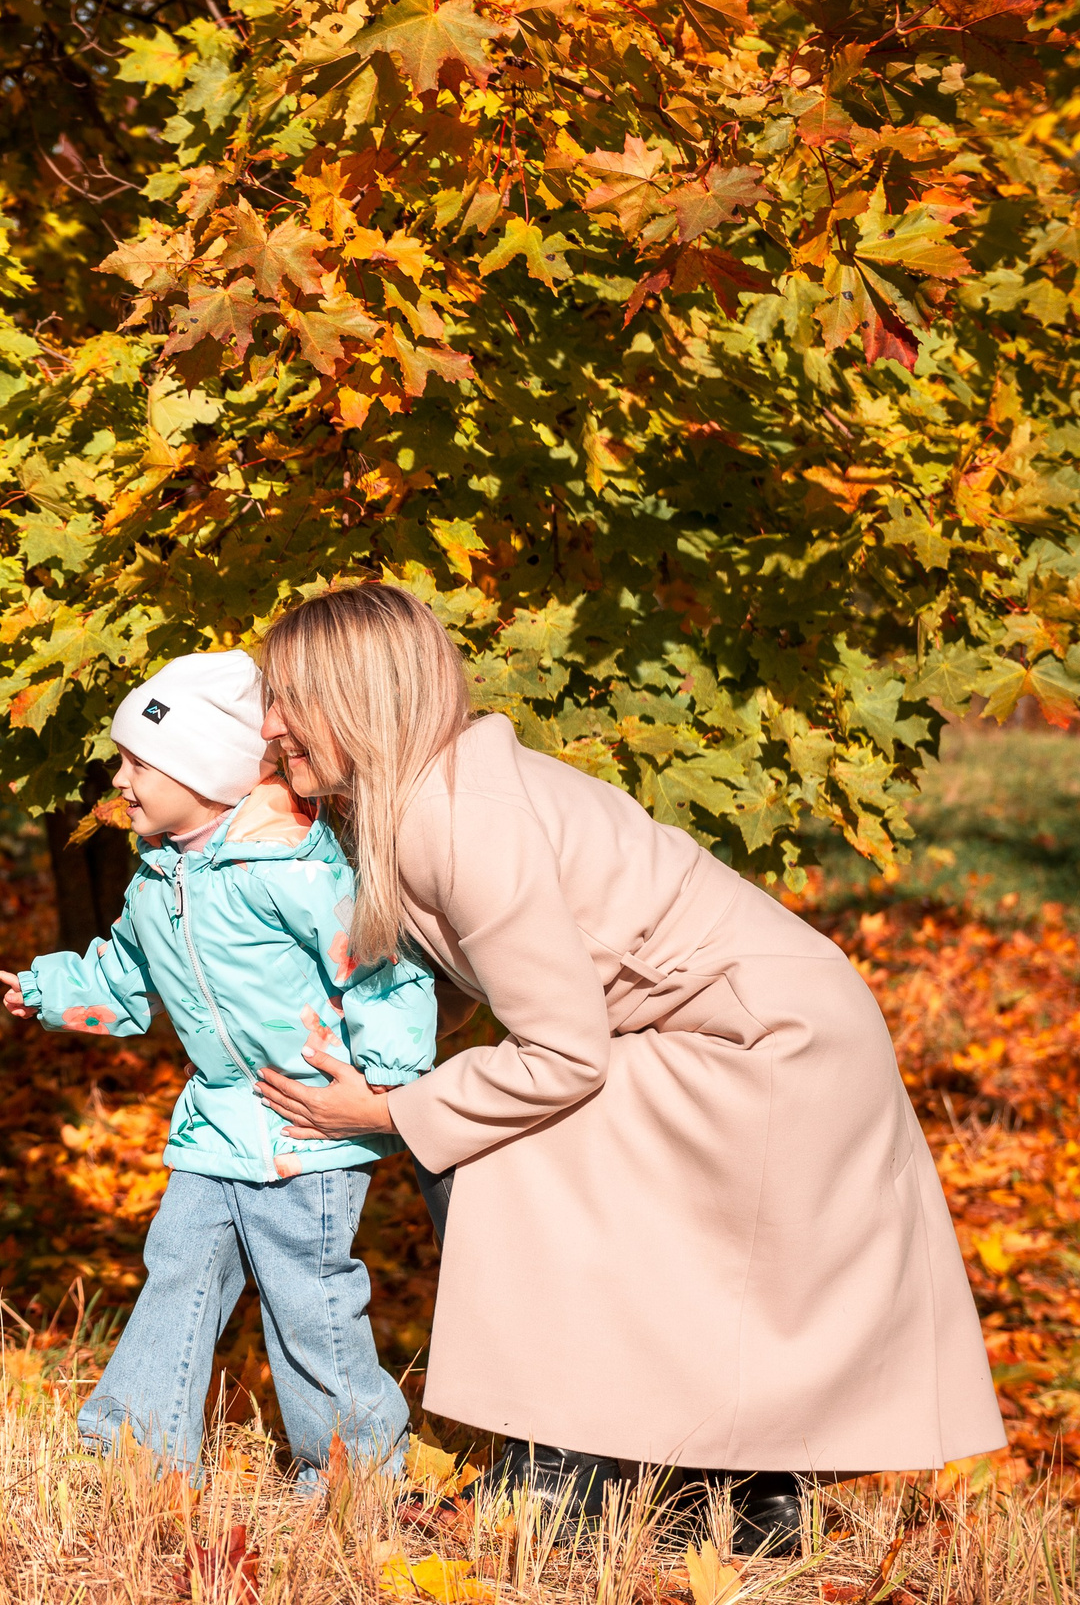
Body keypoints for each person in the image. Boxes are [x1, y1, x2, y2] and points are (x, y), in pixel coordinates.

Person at [249, 583, 1003, 1553]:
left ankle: (559, 1473)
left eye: (289, 701)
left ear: (361, 698)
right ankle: (743, 1497)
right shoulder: (427, 800)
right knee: (568, 1183)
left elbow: (562, 1053)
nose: (270, 726)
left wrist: (390, 1112)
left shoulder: (460, 818)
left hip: (760, 1041)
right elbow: (517, 981)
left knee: (481, 1156)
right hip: (759, 1021)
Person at [0, 651, 437, 1485]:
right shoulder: (158, 880)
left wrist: (385, 1078)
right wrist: (49, 990)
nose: (119, 779)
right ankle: (137, 1452)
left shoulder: (295, 867)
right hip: (216, 1120)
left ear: (203, 773)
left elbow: (378, 963)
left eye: (137, 763)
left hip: (307, 1128)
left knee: (309, 1299)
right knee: (179, 1269)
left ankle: (354, 1472)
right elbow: (123, 978)